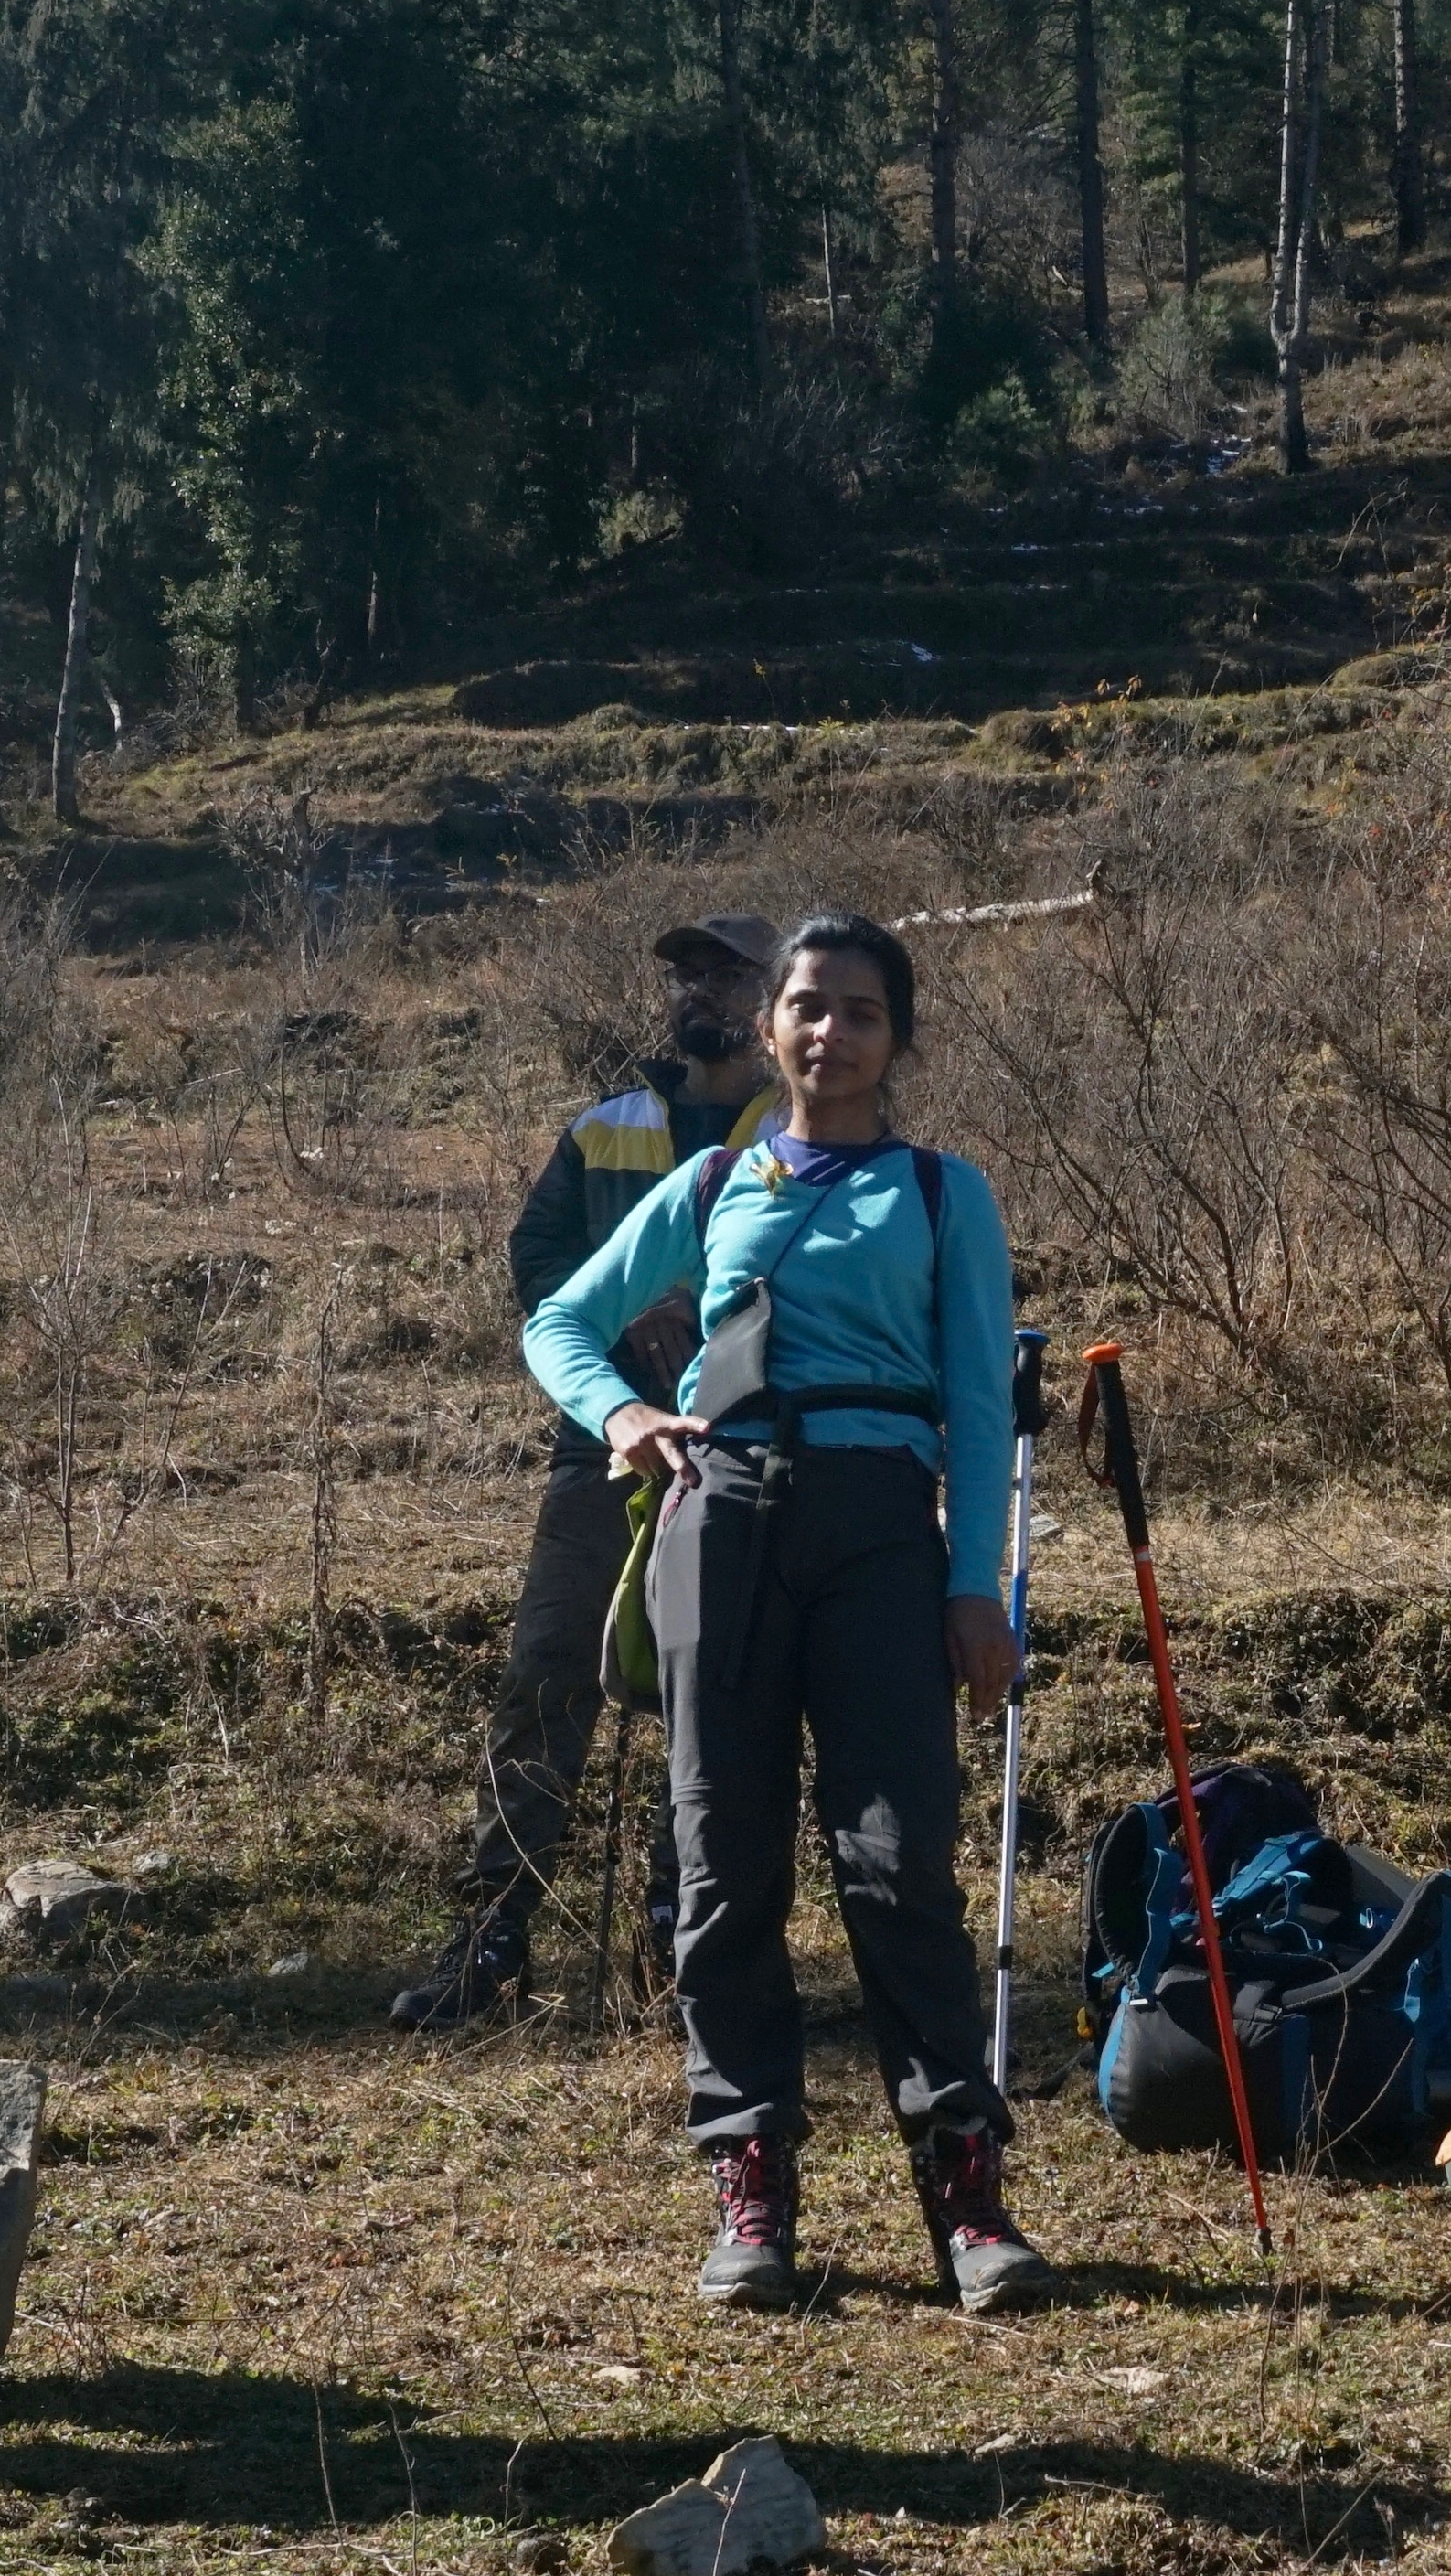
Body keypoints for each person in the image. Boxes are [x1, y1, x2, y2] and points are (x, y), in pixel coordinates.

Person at [518, 912, 1048, 2315]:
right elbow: (557, 1320)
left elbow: (983, 1409)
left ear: (898, 1037)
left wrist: (976, 1589)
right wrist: (627, 1413)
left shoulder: (947, 1194)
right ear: (770, 1028)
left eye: (862, 1011)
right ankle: (748, 2182)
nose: (832, 1032)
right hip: (724, 1517)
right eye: (809, 1006)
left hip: (882, 1524)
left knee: (897, 1858)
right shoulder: (708, 1181)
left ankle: (967, 2192)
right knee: (722, 1860)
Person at [390, 914, 785, 2029]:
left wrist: (687, 1313)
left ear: (770, 996)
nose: (696, 989)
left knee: (707, 1709)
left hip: (739, 1455)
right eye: (686, 971)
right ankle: (491, 1944)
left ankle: (679, 1953)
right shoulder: (606, 1124)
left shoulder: (801, 1133)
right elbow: (539, 1258)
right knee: (545, 1682)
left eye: (722, 971)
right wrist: (621, 1352)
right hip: (598, 1448)